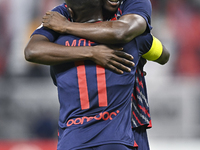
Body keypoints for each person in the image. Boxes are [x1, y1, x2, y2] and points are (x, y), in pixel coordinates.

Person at [25, 0, 170, 149]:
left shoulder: (56, 44)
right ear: (100, 4)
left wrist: (67, 28)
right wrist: (94, 52)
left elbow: (33, 52)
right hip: (118, 137)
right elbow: (164, 55)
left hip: (73, 141)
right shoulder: (133, 41)